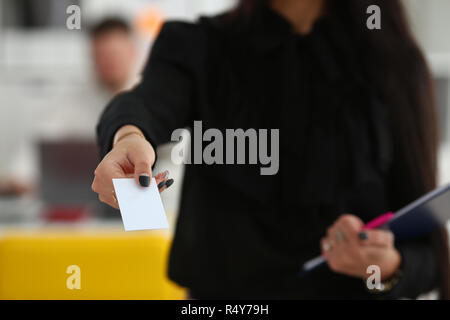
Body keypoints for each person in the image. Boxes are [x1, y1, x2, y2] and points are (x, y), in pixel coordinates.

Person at [92, 0, 450, 299]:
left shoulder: (394, 63)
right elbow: (146, 104)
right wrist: (128, 139)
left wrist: (385, 265)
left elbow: (429, 252)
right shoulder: (200, 45)